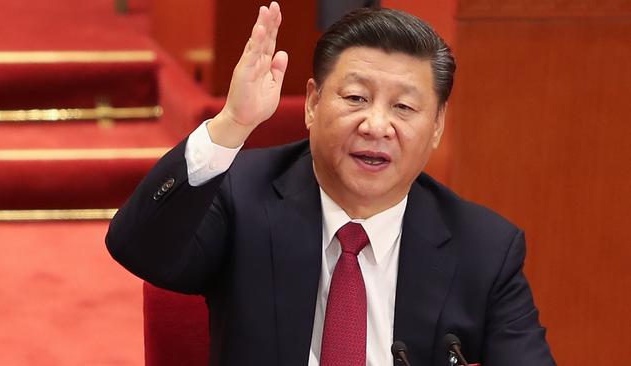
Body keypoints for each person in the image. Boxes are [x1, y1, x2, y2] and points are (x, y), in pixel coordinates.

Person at [106, 2, 555, 365]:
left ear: (437, 126)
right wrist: (231, 124)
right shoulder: (243, 194)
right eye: (356, 98)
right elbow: (137, 246)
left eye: (404, 108)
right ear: (313, 103)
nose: (376, 125)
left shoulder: (485, 248)